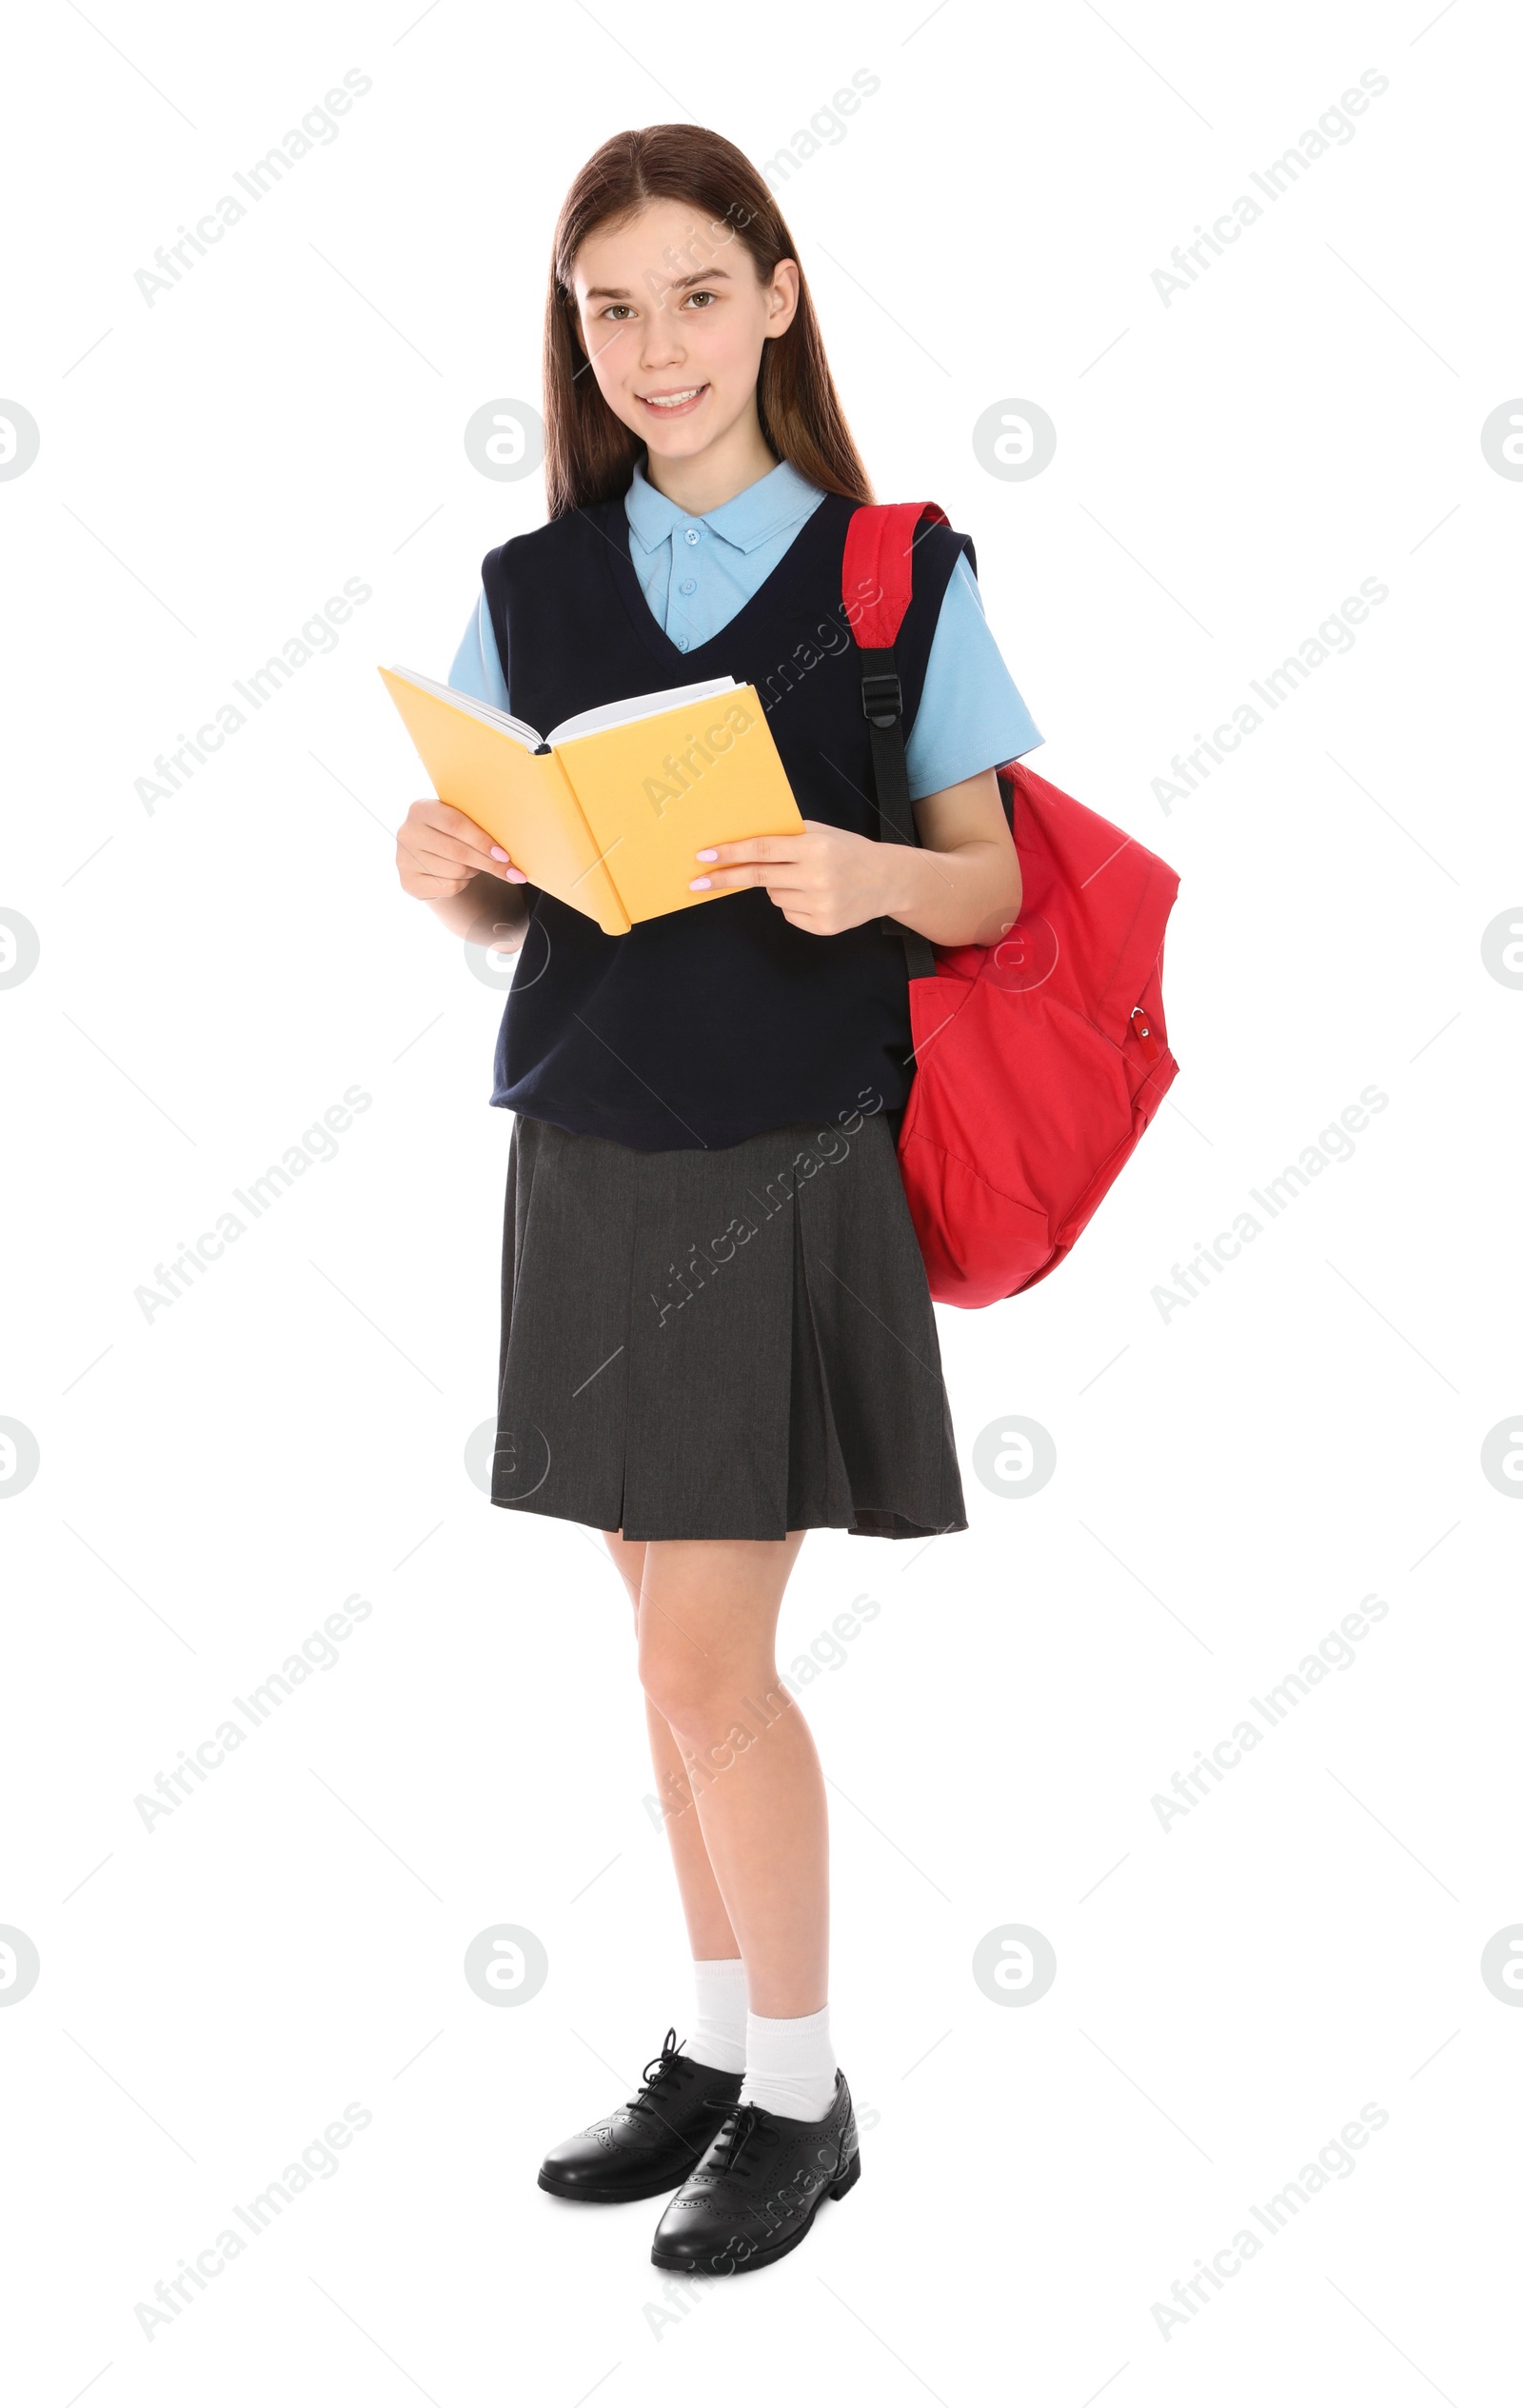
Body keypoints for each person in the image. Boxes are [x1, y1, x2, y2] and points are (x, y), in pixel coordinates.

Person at [394, 124, 1042, 2275]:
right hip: (585, 1143)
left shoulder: (888, 575)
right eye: (608, 308)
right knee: (650, 1653)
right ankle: (703, 2038)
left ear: (775, 293)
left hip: (780, 1166)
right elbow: (516, 900)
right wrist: (448, 874)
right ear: (570, 334)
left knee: (707, 1657)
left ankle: (801, 2088)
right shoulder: (534, 588)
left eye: (692, 293)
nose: (652, 346)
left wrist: (869, 873)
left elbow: (991, 876)